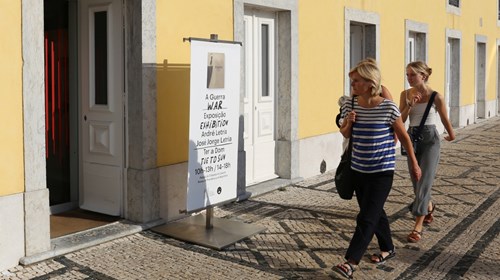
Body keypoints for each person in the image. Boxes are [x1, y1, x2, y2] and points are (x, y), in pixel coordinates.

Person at [334, 62, 422, 279]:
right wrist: (349, 123)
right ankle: (388, 248)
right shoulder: (350, 104)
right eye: (351, 80)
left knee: (366, 217)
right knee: (375, 212)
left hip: (382, 172)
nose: (352, 84)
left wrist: (413, 162)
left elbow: (403, 136)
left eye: (356, 81)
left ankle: (350, 263)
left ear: (370, 83)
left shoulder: (388, 108)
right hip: (357, 169)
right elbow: (345, 134)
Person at [399, 61, 455, 243]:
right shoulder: (405, 94)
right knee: (416, 181)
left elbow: (444, 117)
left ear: (423, 76)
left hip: (430, 139)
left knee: (424, 180)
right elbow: (401, 119)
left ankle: (418, 226)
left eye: (412, 75)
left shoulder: (435, 96)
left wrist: (451, 134)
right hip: (412, 138)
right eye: (407, 74)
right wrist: (409, 104)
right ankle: (429, 206)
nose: (409, 78)